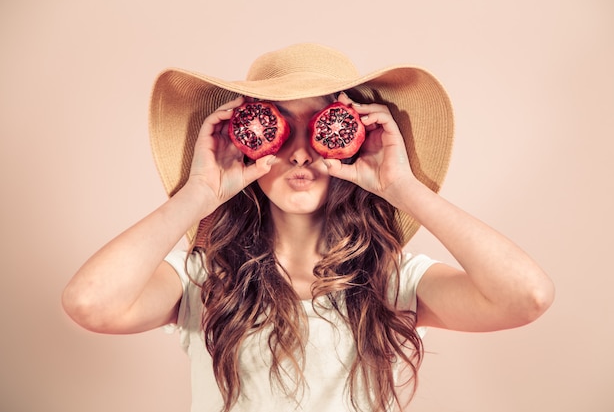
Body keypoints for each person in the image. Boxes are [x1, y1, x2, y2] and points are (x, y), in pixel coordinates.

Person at [62, 43, 555, 412]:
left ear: (359, 136)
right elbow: (90, 303)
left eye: (325, 125)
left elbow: (526, 295)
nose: (300, 151)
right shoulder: (202, 279)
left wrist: (402, 187)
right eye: (275, 125)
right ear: (243, 141)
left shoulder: (391, 281)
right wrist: (198, 194)